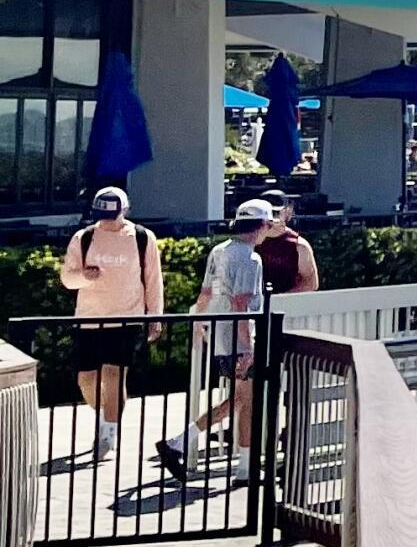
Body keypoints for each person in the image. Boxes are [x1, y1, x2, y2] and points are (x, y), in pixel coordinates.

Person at [161, 207, 269, 482]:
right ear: (260, 226)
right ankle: (241, 466)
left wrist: (199, 322)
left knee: (240, 401)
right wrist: (249, 347)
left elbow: (206, 293)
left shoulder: (219, 251)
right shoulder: (251, 259)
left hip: (221, 335)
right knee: (245, 402)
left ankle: (182, 444)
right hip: (239, 339)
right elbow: (242, 303)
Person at [58, 185, 164, 462]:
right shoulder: (84, 237)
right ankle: (106, 417)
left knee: (115, 375)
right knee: (86, 380)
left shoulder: (142, 237)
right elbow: (68, 279)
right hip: (89, 318)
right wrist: (84, 276)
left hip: (127, 318)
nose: (106, 221)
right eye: (101, 215)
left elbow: (153, 279)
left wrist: (155, 316)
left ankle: (108, 435)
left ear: (125, 210)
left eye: (112, 215)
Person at [255, 198, 320, 300]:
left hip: (290, 305)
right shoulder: (250, 240)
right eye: (270, 213)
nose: (274, 218)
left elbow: (310, 283)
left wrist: (278, 300)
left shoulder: (299, 246)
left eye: (277, 213)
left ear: (286, 213)